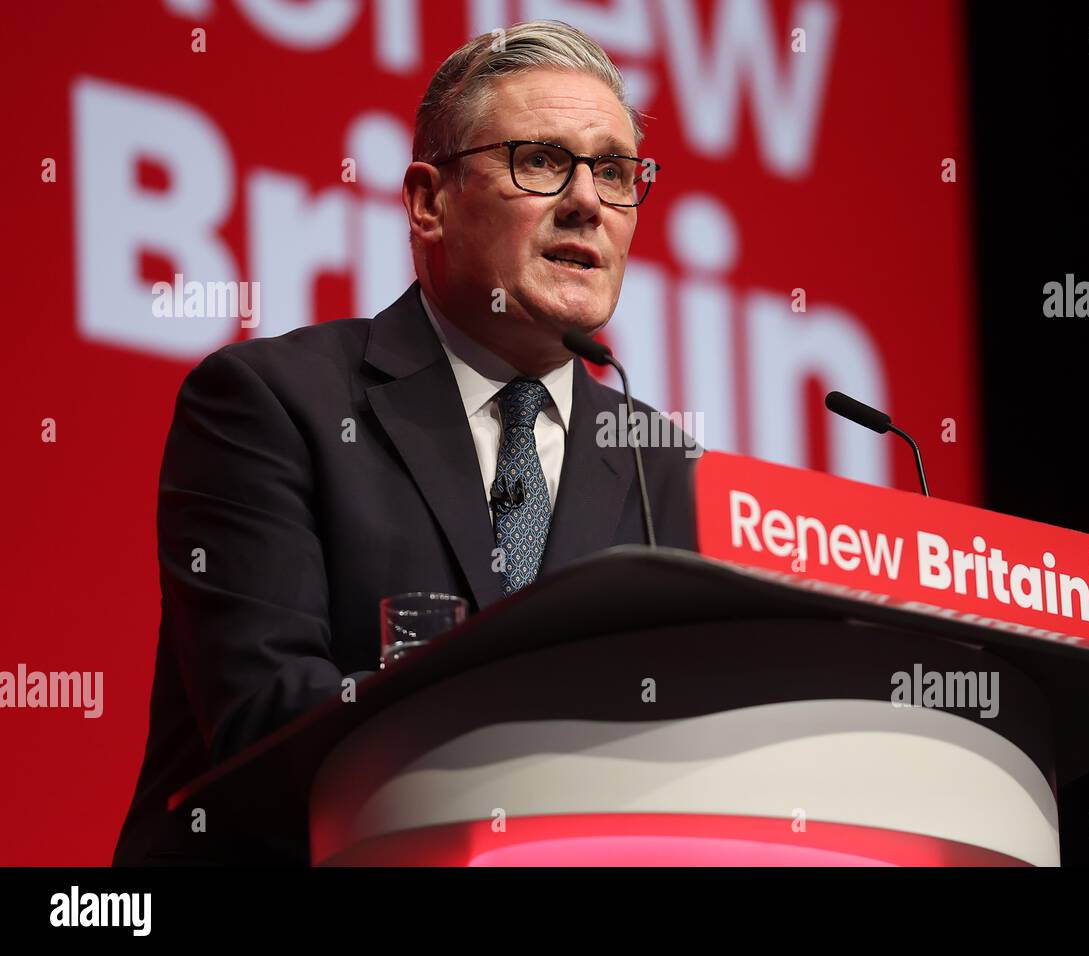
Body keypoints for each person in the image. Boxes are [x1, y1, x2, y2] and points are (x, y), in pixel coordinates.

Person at [113, 20, 698, 866]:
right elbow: (267, 719)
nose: (586, 202)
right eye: (540, 160)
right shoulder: (272, 404)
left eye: (614, 172)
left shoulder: (664, 468)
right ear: (429, 201)